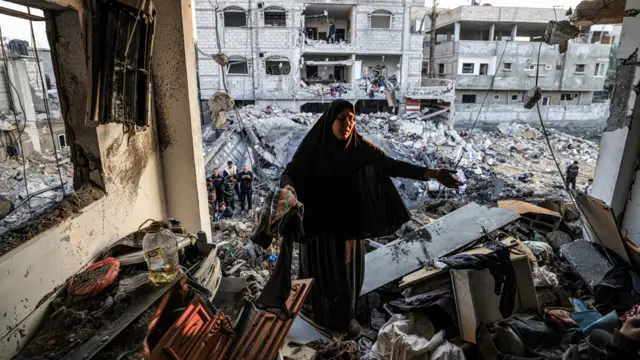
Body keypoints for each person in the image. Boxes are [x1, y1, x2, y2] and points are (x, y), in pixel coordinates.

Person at [280, 99, 461, 338]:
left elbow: (392, 165)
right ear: (330, 120)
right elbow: (289, 173)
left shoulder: (358, 147)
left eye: (352, 119)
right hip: (317, 226)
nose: (348, 124)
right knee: (318, 271)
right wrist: (288, 190)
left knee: (345, 276)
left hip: (347, 226)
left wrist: (434, 174)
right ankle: (316, 317)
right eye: (342, 118)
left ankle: (342, 320)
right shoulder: (313, 146)